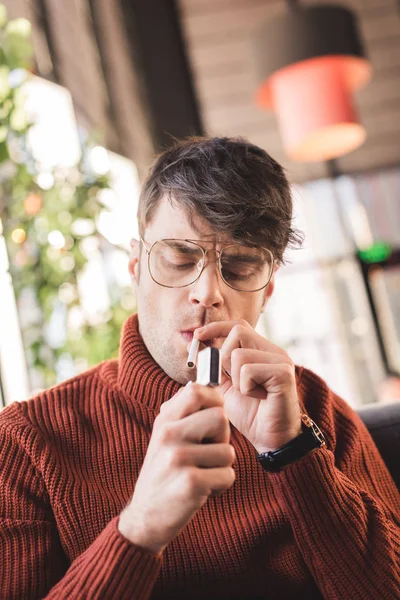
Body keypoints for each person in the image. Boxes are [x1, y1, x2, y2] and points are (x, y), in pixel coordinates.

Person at [0, 137, 399, 600]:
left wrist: (294, 453)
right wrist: (138, 529)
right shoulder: (26, 445)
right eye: (179, 259)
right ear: (135, 266)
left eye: (241, 267)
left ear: (266, 293)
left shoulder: (318, 411)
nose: (207, 292)